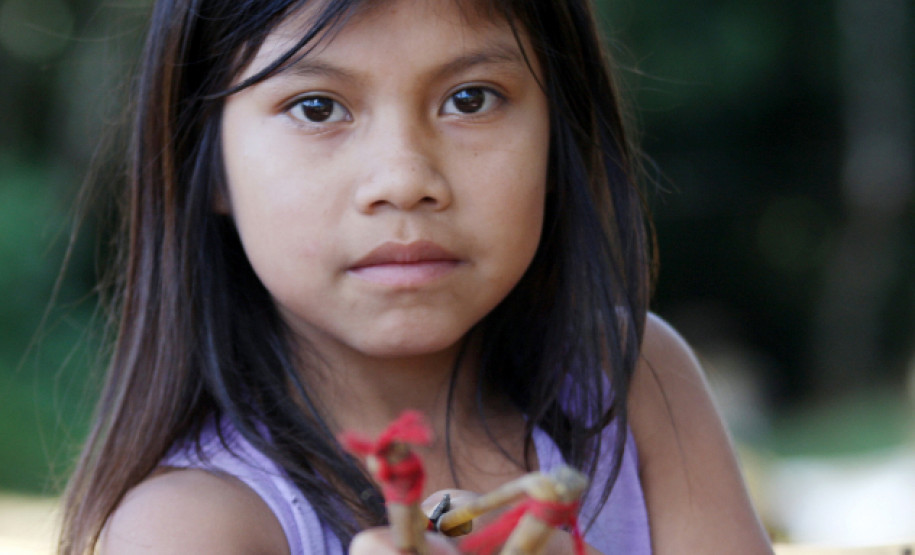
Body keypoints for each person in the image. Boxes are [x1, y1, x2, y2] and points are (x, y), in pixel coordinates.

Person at [59, 0, 773, 553]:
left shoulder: (636, 387)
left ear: (561, 136)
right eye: (316, 107)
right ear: (207, 164)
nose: (404, 180)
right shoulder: (193, 526)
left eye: (471, 98)